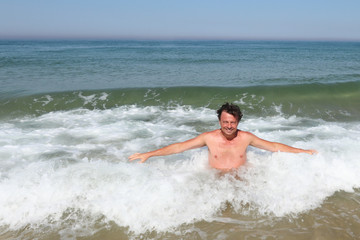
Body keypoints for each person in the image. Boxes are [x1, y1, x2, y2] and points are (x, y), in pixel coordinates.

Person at [129, 103, 317, 171]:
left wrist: (303, 151)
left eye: (232, 122)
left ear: (238, 122)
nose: (229, 126)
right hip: (214, 179)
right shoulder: (208, 138)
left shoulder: (246, 138)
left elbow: (274, 146)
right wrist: (149, 154)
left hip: (241, 177)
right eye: (225, 122)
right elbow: (179, 147)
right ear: (219, 121)